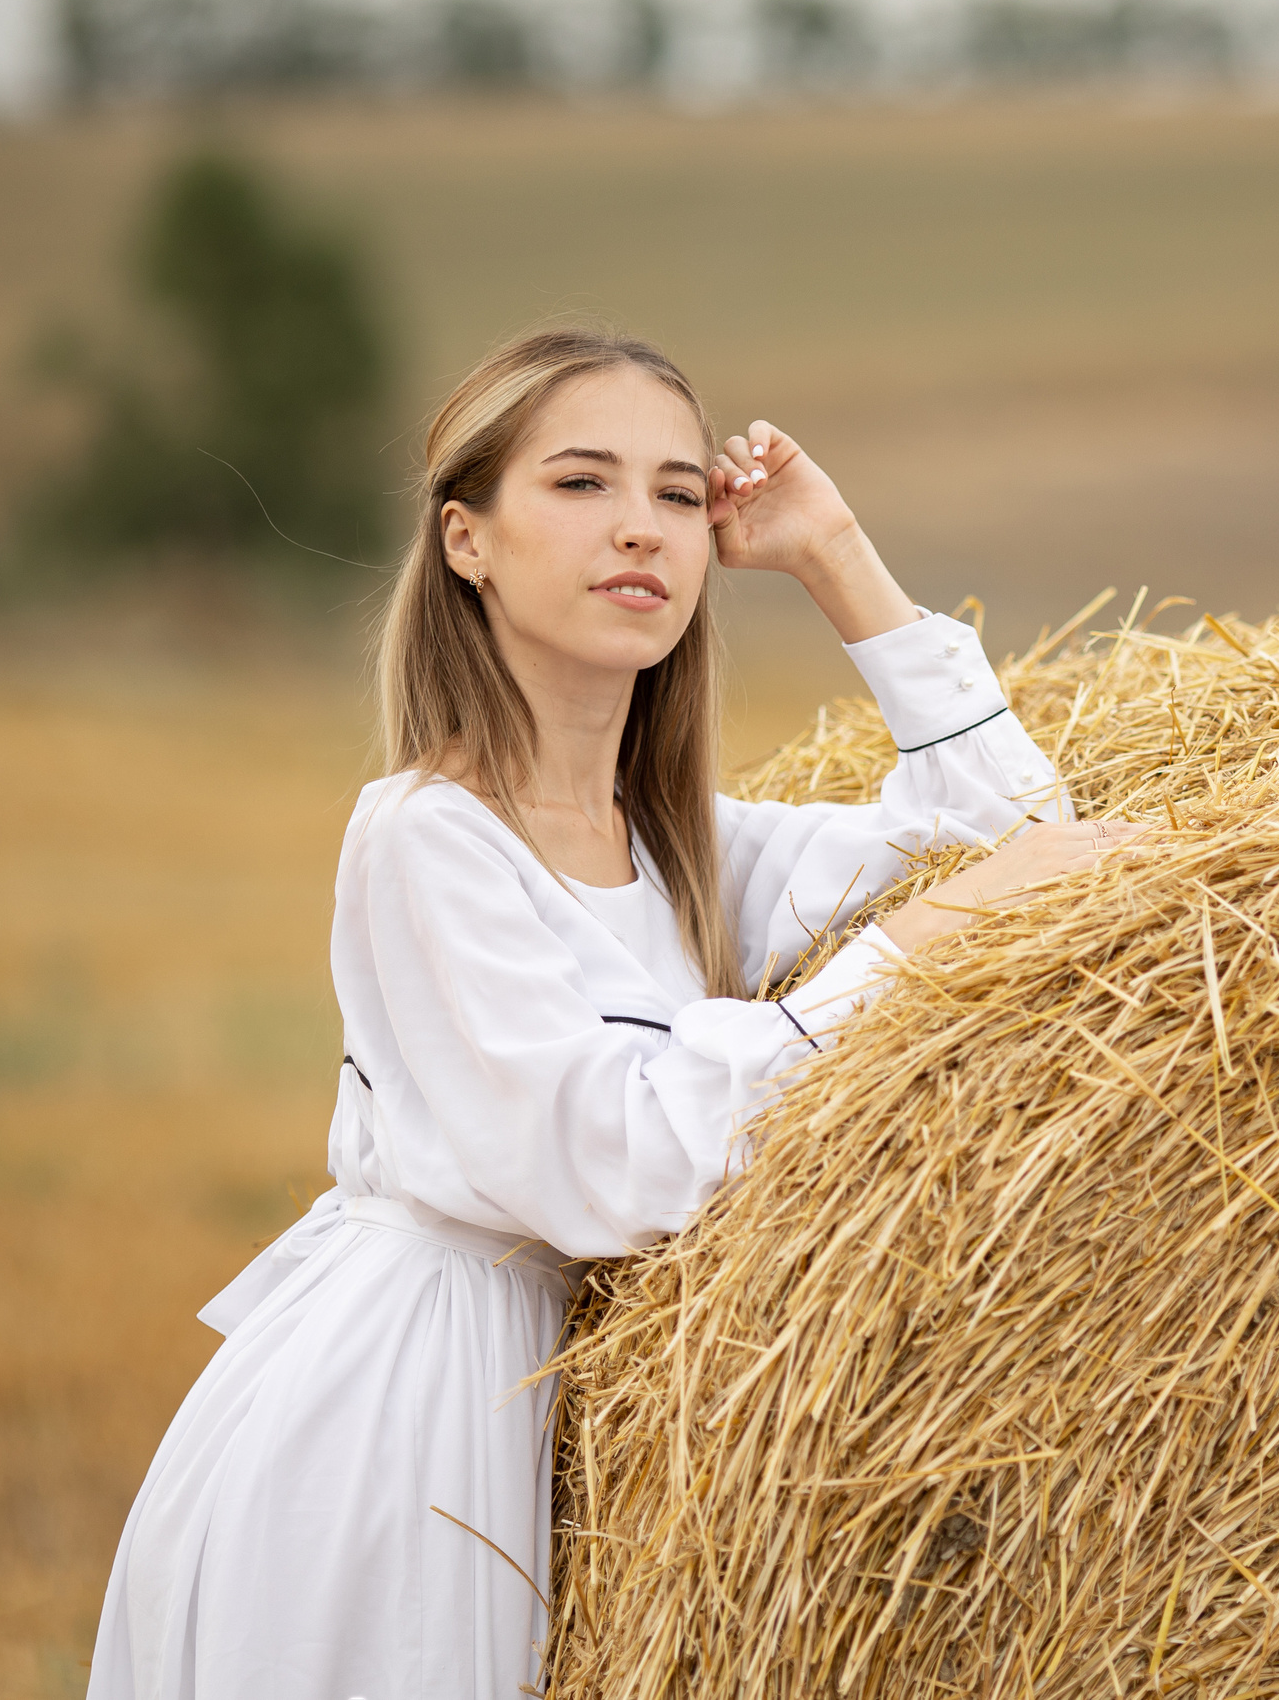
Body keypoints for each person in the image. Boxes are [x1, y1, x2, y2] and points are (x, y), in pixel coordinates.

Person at [84, 327, 1137, 1700]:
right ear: (468, 540)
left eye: (676, 496)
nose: (639, 529)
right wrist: (924, 938)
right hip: (395, 1422)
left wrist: (830, 550)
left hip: (543, 1411)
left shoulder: (684, 844)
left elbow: (1015, 836)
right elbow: (618, 1163)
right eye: (580, 485)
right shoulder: (424, 838)